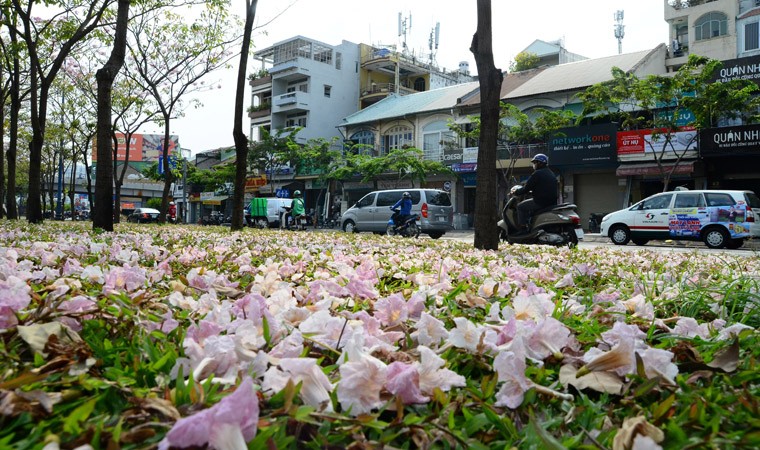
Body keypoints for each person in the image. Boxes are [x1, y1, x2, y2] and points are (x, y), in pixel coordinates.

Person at [513, 153, 558, 234]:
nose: (534, 165)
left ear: (540, 163)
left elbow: (526, 188)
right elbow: (543, 187)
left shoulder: (537, 174)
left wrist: (516, 192)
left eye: (535, 163)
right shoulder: (551, 173)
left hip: (541, 202)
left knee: (520, 207)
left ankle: (523, 230)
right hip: (552, 202)